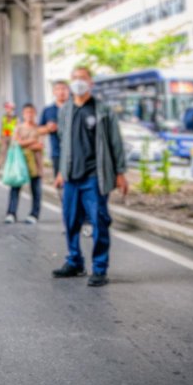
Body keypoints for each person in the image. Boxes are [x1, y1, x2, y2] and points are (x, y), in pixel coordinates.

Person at [54, 66, 128, 287]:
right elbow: (63, 142)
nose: (78, 81)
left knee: (98, 222)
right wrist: (61, 171)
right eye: (75, 78)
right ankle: (74, 261)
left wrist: (120, 173)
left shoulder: (103, 110)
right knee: (70, 221)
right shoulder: (65, 111)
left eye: (83, 78)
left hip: (94, 176)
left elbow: (115, 142)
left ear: (91, 82)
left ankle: (99, 268)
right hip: (71, 177)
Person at [5, 103, 43, 224]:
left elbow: (40, 145)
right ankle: (11, 213)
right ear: (23, 114)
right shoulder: (18, 128)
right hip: (19, 163)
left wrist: (23, 142)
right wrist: (32, 141)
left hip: (36, 164)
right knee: (15, 188)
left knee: (36, 190)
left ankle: (34, 214)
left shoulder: (39, 128)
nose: (29, 115)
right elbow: (15, 143)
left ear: (35, 113)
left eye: (31, 112)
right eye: (27, 112)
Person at [39, 80, 70, 176]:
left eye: (64, 89)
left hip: (76, 152)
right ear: (54, 92)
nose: (61, 92)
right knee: (60, 180)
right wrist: (48, 128)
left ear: (68, 91)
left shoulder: (74, 108)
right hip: (57, 153)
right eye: (58, 89)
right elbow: (39, 130)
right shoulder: (48, 110)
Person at [0, 100, 17, 170]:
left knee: (12, 152)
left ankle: (12, 167)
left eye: (8, 107)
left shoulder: (15, 117)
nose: (6, 109)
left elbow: (17, 128)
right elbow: (2, 127)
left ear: (12, 108)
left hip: (12, 137)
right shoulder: (4, 117)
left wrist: (16, 137)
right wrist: (0, 137)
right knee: (2, 151)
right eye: (6, 108)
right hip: (4, 136)